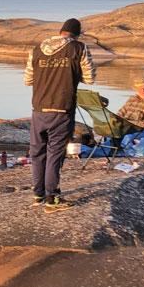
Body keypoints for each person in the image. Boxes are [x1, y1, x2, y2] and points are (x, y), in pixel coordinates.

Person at [24, 17, 95, 211]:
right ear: (77, 35)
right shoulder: (79, 48)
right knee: (55, 153)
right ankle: (51, 198)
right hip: (62, 109)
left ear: (60, 32)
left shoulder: (37, 49)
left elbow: (27, 80)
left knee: (38, 153)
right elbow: (90, 78)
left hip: (38, 108)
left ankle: (37, 194)